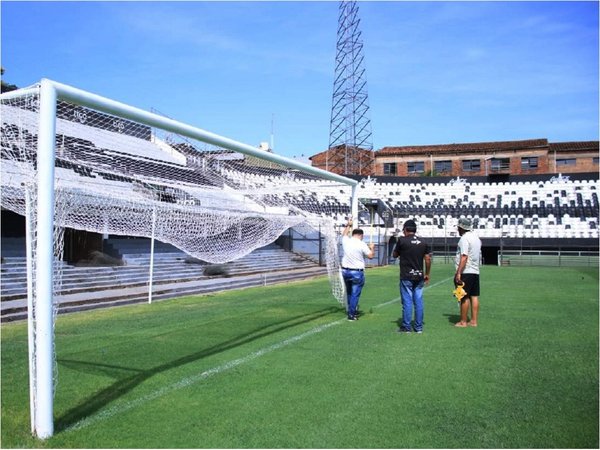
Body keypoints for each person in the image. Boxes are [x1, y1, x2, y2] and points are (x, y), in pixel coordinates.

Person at [392, 219, 432, 333]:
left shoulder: (402, 240)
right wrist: (427, 273)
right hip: (419, 276)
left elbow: (395, 255)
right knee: (418, 301)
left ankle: (406, 327)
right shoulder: (423, 242)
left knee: (407, 302)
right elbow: (428, 259)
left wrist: (400, 250)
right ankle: (418, 327)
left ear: (405, 229)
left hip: (406, 276)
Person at [341, 217, 375, 321]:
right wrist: (372, 247)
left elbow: (344, 234)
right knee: (355, 294)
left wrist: (349, 225)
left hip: (345, 271)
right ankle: (351, 314)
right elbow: (370, 256)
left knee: (350, 292)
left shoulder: (346, 241)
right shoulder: (362, 244)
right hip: (356, 272)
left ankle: (350, 310)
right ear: (361, 235)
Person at [454, 217, 482, 327]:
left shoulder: (464, 239)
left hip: (466, 271)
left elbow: (464, 256)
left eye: (458, 227)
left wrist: (459, 272)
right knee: (474, 296)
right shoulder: (476, 238)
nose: (457, 229)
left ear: (461, 228)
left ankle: (463, 321)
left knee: (464, 297)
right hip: (475, 271)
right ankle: (474, 321)